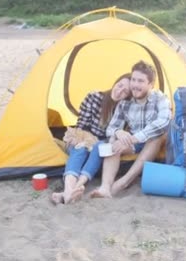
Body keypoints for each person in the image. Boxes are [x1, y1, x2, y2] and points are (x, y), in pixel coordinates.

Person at [91, 60, 172, 198]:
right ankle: (105, 187)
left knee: (157, 135)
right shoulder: (125, 103)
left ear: (150, 84)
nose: (135, 85)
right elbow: (111, 128)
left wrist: (134, 138)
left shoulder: (160, 98)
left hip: (154, 142)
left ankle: (123, 182)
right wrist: (118, 132)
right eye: (133, 80)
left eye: (140, 81)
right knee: (115, 141)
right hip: (135, 143)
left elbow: (163, 122)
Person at [51, 73, 131, 204]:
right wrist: (81, 140)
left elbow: (113, 137)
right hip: (82, 137)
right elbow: (82, 126)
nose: (119, 91)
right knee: (80, 149)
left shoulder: (124, 110)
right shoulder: (94, 97)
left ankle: (68, 193)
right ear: (115, 83)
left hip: (98, 145)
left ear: (127, 96)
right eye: (119, 85)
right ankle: (68, 189)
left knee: (100, 147)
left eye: (125, 91)